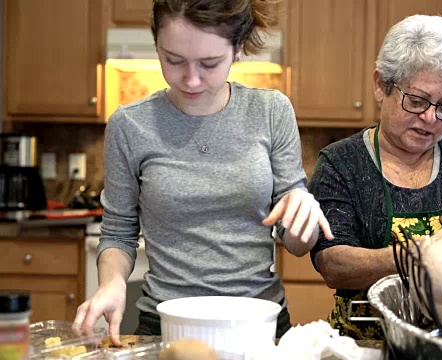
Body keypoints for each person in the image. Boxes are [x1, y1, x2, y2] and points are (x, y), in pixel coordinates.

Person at [73, 0, 333, 346]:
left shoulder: (271, 111)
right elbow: (119, 232)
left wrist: (304, 216)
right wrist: (112, 283)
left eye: (209, 63)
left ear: (238, 49)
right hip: (166, 323)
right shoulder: (130, 125)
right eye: (173, 60)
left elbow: (298, 244)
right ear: (156, 45)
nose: (191, 79)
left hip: (258, 321)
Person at [308, 14, 442, 340]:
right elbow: (334, 263)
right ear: (381, 86)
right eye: (418, 100)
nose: (430, 117)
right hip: (367, 342)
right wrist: (426, 255)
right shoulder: (341, 163)